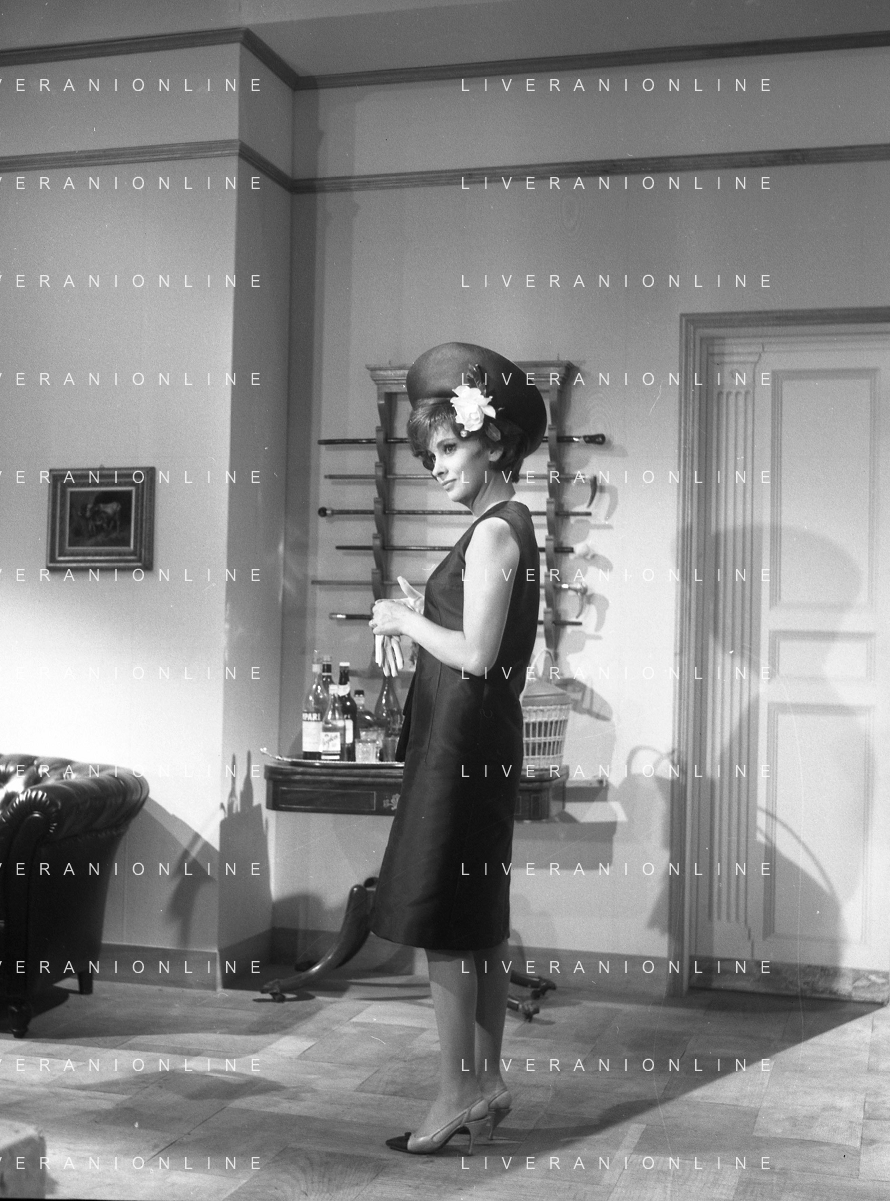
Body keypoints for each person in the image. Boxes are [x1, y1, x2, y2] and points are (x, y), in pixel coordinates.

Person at [368, 342, 545, 1155]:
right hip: (473, 739)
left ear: (492, 442)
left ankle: (453, 1090)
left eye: (448, 448)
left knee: (447, 918)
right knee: (477, 921)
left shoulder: (493, 534)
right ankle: (485, 1080)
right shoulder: (500, 527)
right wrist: (425, 607)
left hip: (460, 747)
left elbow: (475, 654)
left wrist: (404, 618)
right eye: (428, 455)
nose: (437, 467)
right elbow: (477, 638)